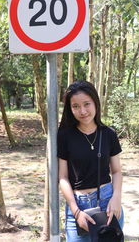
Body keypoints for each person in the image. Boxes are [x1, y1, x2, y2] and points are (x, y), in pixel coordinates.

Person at [58, 81, 124, 242]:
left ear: (95, 102)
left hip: (108, 203)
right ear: (70, 108)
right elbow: (63, 177)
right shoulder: (64, 136)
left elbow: (116, 171)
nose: (82, 111)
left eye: (87, 104)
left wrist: (116, 198)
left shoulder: (109, 134)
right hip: (77, 205)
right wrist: (76, 212)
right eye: (75, 106)